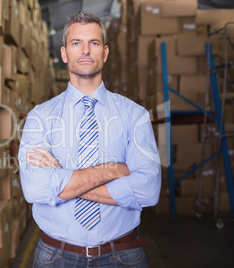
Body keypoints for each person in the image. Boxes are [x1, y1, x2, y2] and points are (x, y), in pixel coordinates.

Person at [18, 11, 161, 267]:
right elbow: (35, 189)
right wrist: (115, 169)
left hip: (122, 254)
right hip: (55, 256)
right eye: (76, 43)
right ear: (64, 54)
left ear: (104, 53)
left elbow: (148, 190)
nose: (85, 50)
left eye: (93, 43)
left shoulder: (134, 115)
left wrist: (64, 179)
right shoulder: (39, 117)